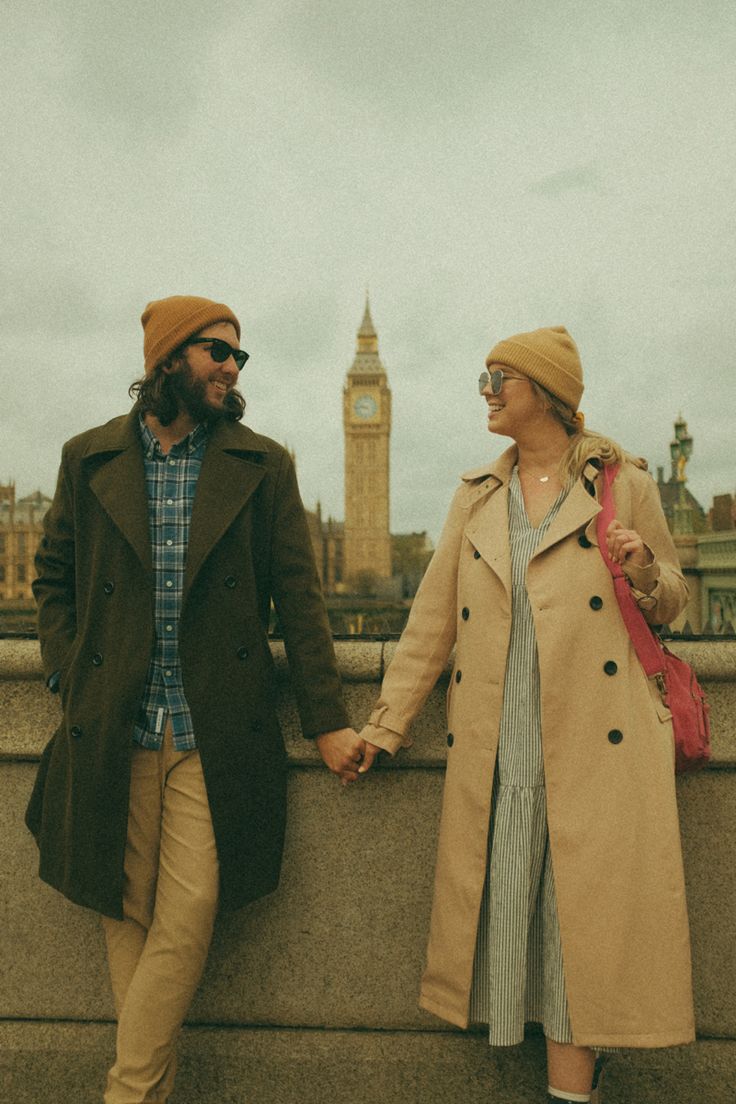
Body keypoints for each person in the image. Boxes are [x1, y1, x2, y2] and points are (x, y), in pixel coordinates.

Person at [26, 294, 365, 1104]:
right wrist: (76, 676)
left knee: (192, 906)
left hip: (213, 730)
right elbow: (53, 580)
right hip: (116, 724)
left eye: (239, 357)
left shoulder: (263, 463)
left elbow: (300, 600)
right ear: (167, 360)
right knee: (123, 908)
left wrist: (326, 720)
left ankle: (125, 1091)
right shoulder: (88, 458)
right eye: (219, 351)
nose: (232, 368)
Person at [357, 326, 694, 1104]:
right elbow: (431, 625)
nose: (485, 388)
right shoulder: (477, 494)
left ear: (544, 390)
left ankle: (571, 1092)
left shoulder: (623, 481)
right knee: (518, 930)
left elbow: (671, 598)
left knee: (582, 941)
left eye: (499, 376)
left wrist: (641, 564)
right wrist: (386, 723)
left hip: (596, 745)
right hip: (503, 752)